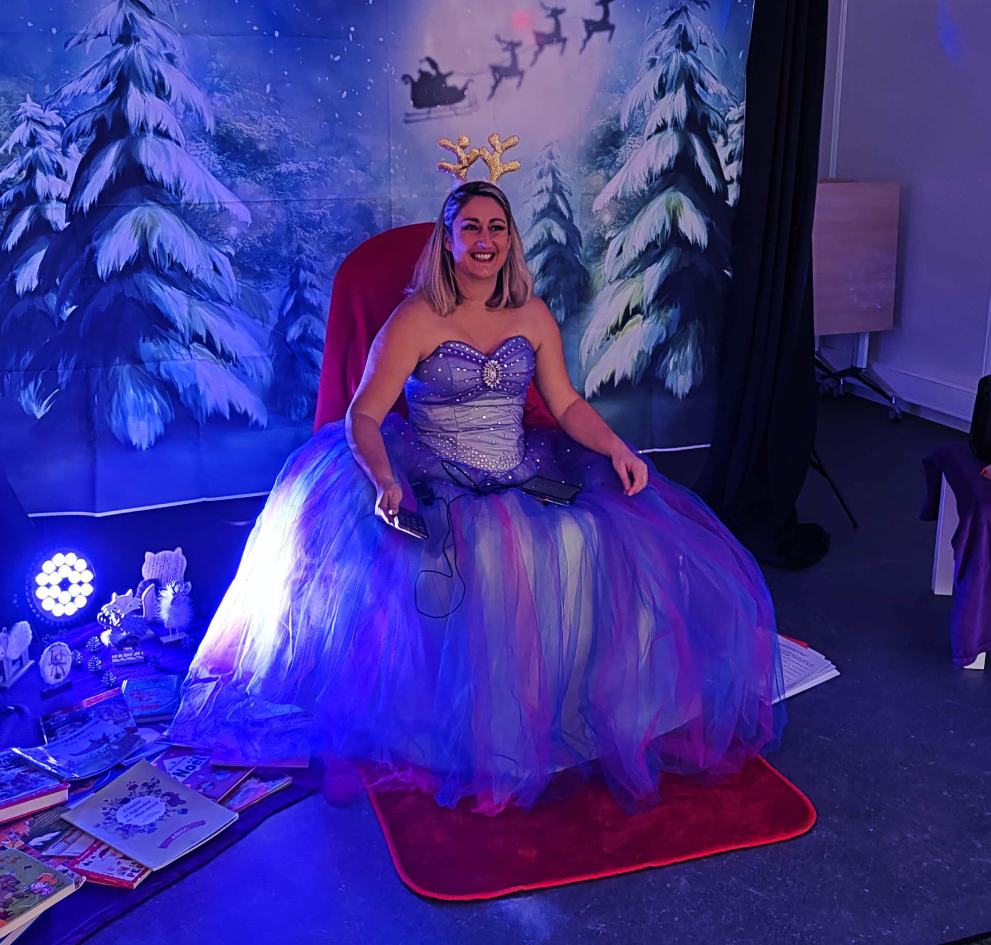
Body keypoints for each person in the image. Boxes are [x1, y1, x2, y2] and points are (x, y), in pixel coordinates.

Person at [170, 179, 785, 814]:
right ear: (448, 240)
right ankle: (462, 727)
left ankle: (567, 707)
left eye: (497, 228)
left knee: (587, 537)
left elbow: (566, 404)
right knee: (476, 560)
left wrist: (617, 448)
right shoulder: (415, 318)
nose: (485, 240)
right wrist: (385, 481)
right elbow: (364, 414)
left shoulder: (531, 314)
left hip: (519, 469)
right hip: (436, 475)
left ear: (510, 240)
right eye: (471, 227)